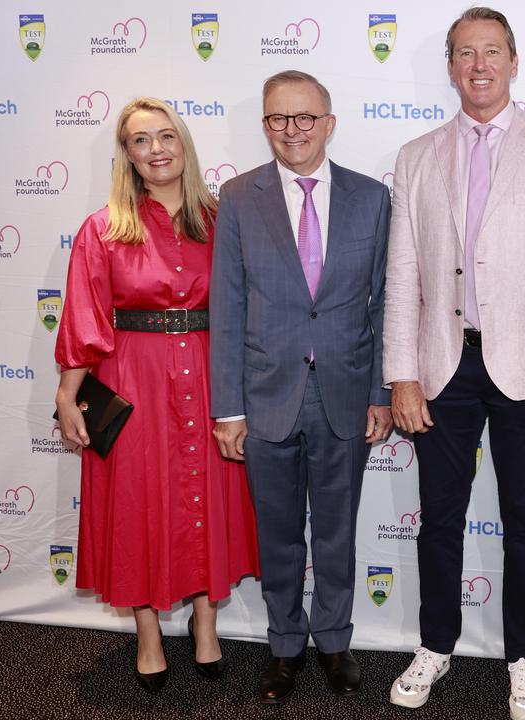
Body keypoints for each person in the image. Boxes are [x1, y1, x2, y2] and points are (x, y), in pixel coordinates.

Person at [382, 7, 525, 719]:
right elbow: (403, 273)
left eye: (492, 51)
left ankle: (523, 658)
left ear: (513, 61)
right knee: (439, 518)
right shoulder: (416, 156)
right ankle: (435, 645)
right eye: (465, 53)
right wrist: (401, 374)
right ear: (449, 65)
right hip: (441, 369)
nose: (479, 65)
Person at [54, 97, 260, 694]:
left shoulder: (223, 220)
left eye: (167, 136)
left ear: (184, 145)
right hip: (131, 378)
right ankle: (147, 634)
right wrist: (69, 399)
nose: (157, 149)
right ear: (128, 155)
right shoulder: (104, 228)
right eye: (141, 141)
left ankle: (205, 624)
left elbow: (247, 309)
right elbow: (85, 319)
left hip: (208, 371)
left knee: (206, 493)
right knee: (136, 501)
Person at [209, 70, 392, 704]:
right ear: (265, 125)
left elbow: (383, 306)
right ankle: (284, 647)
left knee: (337, 530)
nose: (292, 131)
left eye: (305, 118)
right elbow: (227, 307)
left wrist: (381, 392)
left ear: (329, 122)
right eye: (278, 119)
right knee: (279, 532)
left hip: (345, 393)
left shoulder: (372, 198)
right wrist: (227, 407)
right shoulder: (237, 197)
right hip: (265, 397)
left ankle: (335, 641)